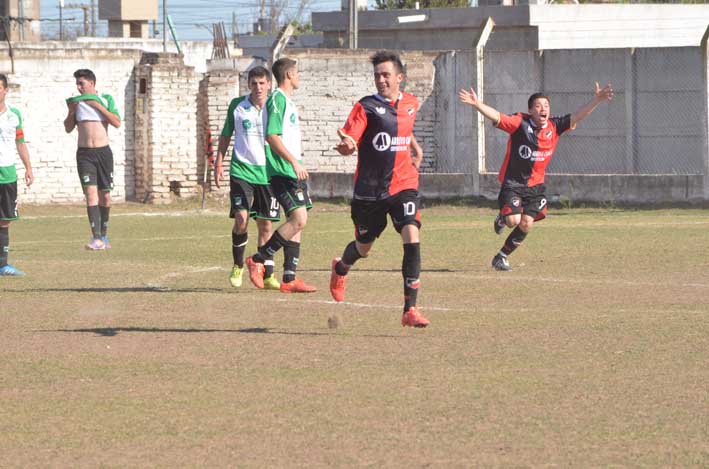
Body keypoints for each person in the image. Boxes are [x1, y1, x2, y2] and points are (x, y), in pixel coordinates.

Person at [459, 82, 614, 271]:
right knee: (513, 221)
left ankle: (501, 257)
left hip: (536, 187)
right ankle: (502, 217)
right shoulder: (520, 123)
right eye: (539, 106)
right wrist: (477, 104)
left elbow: (578, 116)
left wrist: (597, 100)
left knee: (526, 224)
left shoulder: (555, 126)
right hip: (513, 184)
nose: (543, 109)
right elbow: (498, 116)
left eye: (546, 106)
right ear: (530, 110)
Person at [330, 50, 430, 328]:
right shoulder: (366, 107)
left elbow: (403, 127)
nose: (381, 80)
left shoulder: (411, 102)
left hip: (404, 185)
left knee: (411, 234)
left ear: (400, 78)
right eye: (377, 75)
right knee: (364, 247)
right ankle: (340, 268)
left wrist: (416, 148)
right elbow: (351, 136)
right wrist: (348, 146)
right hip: (369, 191)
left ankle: (410, 309)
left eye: (386, 75)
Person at [245, 57, 316, 293]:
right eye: (297, 72)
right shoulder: (277, 100)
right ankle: (258, 259)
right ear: (289, 75)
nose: (299, 77)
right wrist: (293, 162)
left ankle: (289, 278)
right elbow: (271, 135)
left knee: (298, 224)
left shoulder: (288, 102)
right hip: (283, 172)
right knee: (298, 219)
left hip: (294, 171)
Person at [215, 66, 281, 290]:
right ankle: (237, 265)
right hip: (241, 171)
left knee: (266, 225)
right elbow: (226, 135)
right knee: (242, 219)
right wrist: (218, 162)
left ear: (269, 84)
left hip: (269, 173)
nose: (258, 87)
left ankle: (267, 274)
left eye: (262, 83)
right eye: (254, 83)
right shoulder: (237, 106)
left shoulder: (275, 106)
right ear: (248, 85)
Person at [64, 69, 121, 250]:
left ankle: (104, 236)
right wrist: (72, 112)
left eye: (81, 83)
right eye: (77, 84)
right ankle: (95, 238)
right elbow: (67, 128)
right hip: (84, 154)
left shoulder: (105, 99)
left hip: (103, 153)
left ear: (91, 83)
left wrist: (97, 106)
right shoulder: (76, 103)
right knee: (90, 194)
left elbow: (117, 122)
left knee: (105, 196)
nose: (78, 87)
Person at [0, 74, 34, 276]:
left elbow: (20, 143)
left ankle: (3, 265)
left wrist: (28, 167)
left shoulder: (14, 115)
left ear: (6, 90)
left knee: (4, 220)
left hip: (8, 174)